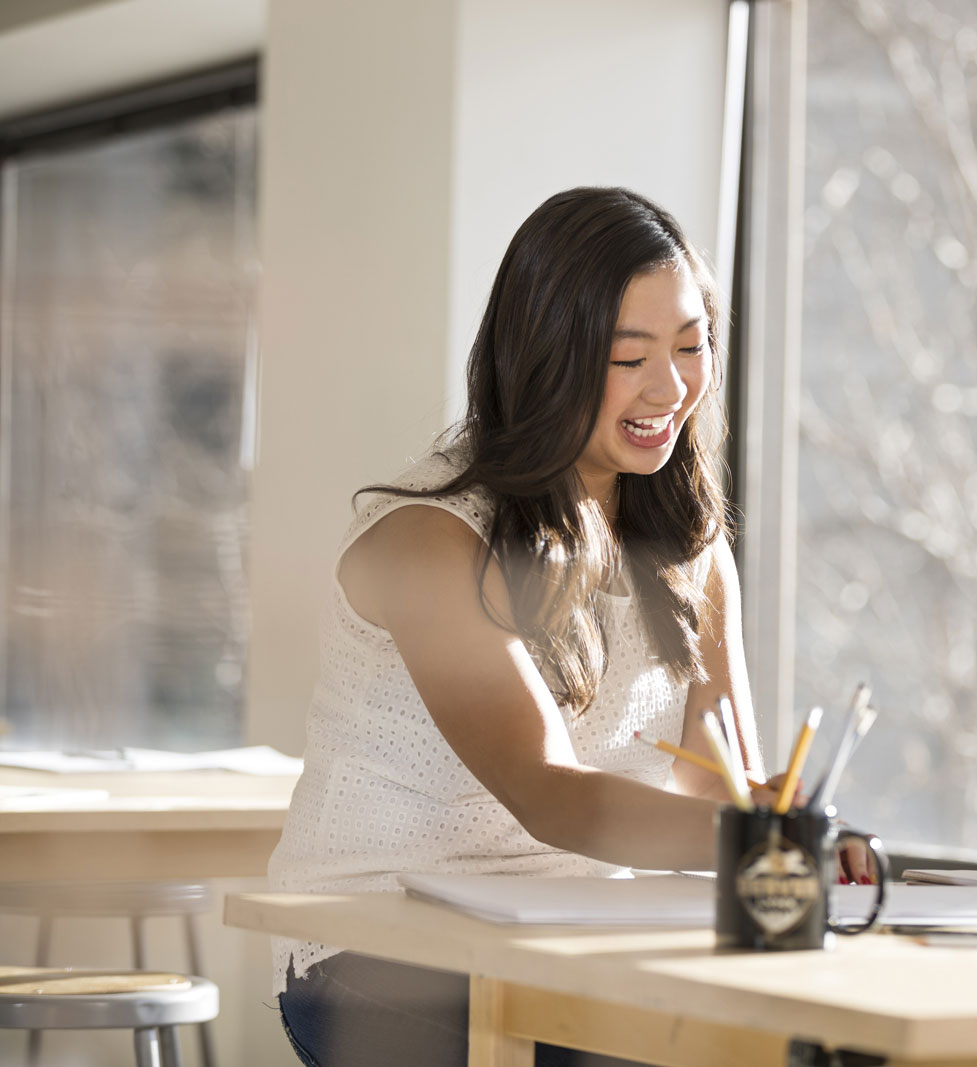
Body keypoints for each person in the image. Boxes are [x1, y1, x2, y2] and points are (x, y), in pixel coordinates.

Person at [268, 187, 802, 1067]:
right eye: (630, 357)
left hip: (577, 941)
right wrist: (756, 844)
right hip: (380, 944)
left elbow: (720, 789)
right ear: (548, 359)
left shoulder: (691, 552)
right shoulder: (429, 537)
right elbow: (549, 790)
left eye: (690, 344)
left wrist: (781, 823)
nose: (670, 387)